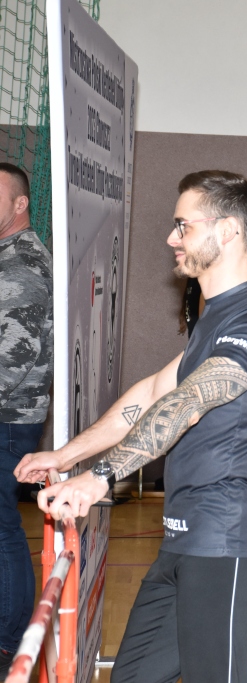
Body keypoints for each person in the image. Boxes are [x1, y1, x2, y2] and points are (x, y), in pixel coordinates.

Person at [16, 170, 247, 680]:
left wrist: (99, 477)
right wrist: (65, 456)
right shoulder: (216, 317)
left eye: (183, 226)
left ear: (228, 231)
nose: (171, 237)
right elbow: (151, 393)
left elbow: (188, 402)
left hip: (226, 541)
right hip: (185, 539)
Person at [0, 163, 52, 678]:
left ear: (20, 204)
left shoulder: (22, 265)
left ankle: (8, 641)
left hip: (8, 420)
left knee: (2, 532)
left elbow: (11, 361)